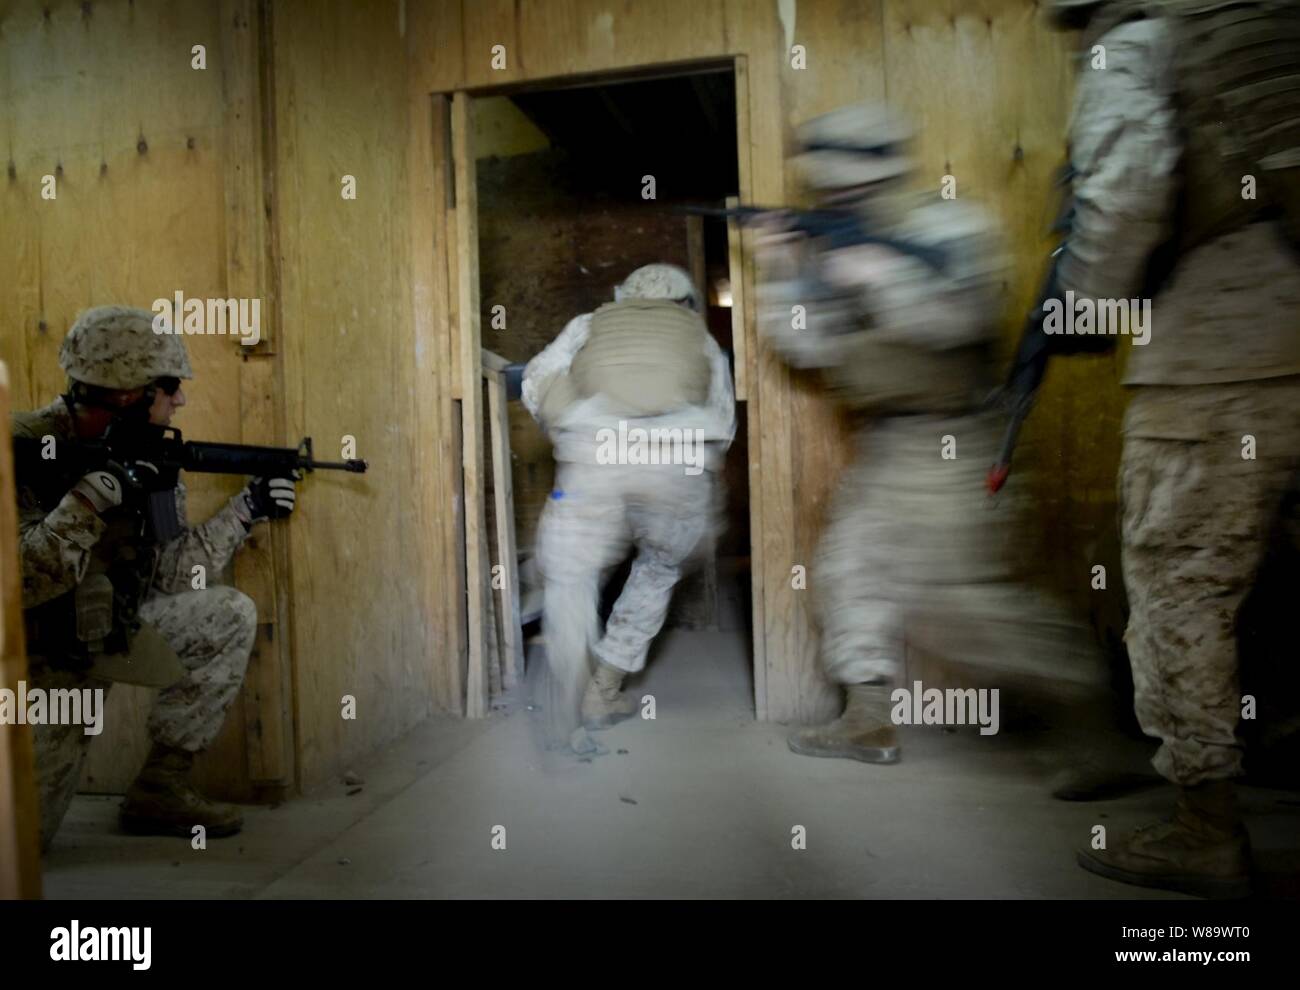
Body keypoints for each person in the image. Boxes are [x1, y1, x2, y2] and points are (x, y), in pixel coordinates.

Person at [753, 102, 1108, 770]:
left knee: (959, 606)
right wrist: (781, 271)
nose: (838, 190)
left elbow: (963, 320)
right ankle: (868, 720)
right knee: (847, 570)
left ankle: (1092, 718)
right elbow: (804, 346)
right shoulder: (830, 243)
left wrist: (881, 278)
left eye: (851, 176)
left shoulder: (949, 223)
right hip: (889, 441)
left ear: (886, 167)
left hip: (957, 439)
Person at [1045, 0, 1300, 898]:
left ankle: (1205, 828)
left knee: (1180, 584)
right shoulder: (1269, 25)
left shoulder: (1142, 40)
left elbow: (1121, 201)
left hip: (1225, 356)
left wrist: (1078, 302)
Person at [14, 305, 297, 847]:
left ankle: (160, 790)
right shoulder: (24, 447)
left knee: (226, 613)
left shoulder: (147, 456)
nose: (181, 399)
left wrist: (244, 512)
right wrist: (91, 498)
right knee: (22, 846)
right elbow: (20, 580)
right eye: (169, 387)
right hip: (41, 658)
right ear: (128, 395)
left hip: (108, 628)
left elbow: (171, 574)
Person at [522, 264, 736, 753]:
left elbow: (536, 383)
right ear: (685, 303)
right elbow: (723, 422)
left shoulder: (589, 324)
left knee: (572, 575)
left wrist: (572, 427)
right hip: (678, 462)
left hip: (597, 453)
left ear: (624, 296)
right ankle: (604, 691)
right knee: (658, 568)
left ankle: (563, 705)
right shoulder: (699, 337)